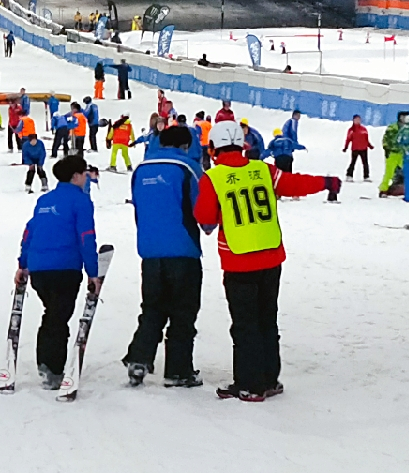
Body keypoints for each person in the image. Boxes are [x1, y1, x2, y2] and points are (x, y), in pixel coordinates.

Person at [192, 111, 336, 401]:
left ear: (213, 149)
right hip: (271, 256)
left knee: (245, 324)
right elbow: (294, 183)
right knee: (267, 319)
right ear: (243, 145)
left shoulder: (213, 177)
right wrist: (325, 182)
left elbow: (204, 216)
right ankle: (270, 379)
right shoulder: (263, 170)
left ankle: (249, 384)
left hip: (239, 259)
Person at [123, 124, 204, 388]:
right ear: (185, 145)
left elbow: (138, 210)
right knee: (183, 311)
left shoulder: (141, 169)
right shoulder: (188, 168)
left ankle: (139, 358)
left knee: (152, 308)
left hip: (149, 250)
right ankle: (178, 371)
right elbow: (200, 209)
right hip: (183, 250)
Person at [18, 153, 101, 388]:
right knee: (58, 317)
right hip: (64, 267)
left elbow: (29, 233)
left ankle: (47, 364)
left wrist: (23, 264)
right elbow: (86, 237)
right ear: (76, 176)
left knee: (52, 314)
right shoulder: (80, 201)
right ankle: (52, 368)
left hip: (39, 269)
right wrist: (93, 272)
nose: (87, 177)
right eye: (84, 173)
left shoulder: (44, 201)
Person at [378, 111, 409, 197]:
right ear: (401, 117)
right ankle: (383, 190)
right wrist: (386, 149)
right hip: (393, 153)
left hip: (403, 153)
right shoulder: (392, 127)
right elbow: (385, 139)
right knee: (389, 173)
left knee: (408, 171)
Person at [20, 127, 50, 192]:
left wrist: (40, 164)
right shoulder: (25, 145)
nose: (34, 142)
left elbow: (42, 154)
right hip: (30, 159)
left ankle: (44, 185)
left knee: (40, 171)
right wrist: (30, 163)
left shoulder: (40, 144)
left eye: (35, 140)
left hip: (39, 159)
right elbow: (25, 155)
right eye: (32, 141)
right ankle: (28, 185)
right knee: (31, 172)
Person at [343, 116, 371, 180]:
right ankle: (349, 175)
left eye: (359, 120)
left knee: (365, 163)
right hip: (355, 149)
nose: (357, 121)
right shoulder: (351, 130)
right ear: (353, 120)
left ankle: (366, 176)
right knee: (353, 162)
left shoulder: (364, 129)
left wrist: (369, 145)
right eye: (356, 120)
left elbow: (366, 139)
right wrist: (345, 147)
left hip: (363, 149)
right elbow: (348, 139)